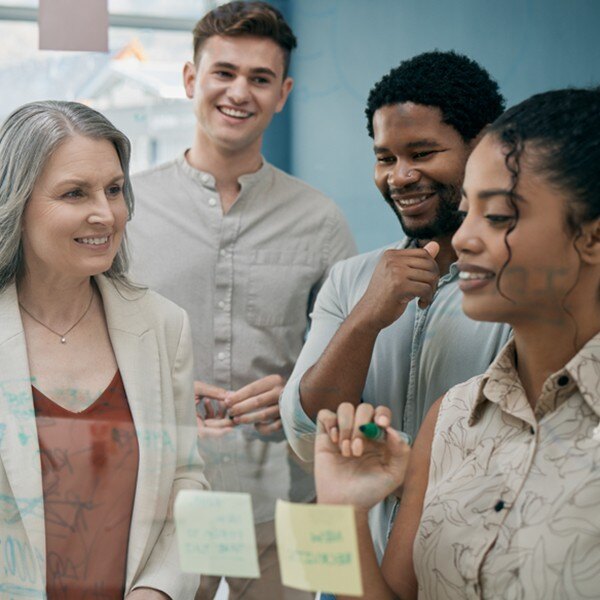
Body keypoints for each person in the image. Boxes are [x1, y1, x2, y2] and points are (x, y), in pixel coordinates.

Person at [315, 86, 600, 599]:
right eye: (467, 212)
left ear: (592, 237)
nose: (465, 238)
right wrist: (344, 515)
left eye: (497, 217)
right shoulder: (451, 418)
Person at [127, 2, 356, 598]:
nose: (239, 92)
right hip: (168, 497)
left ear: (283, 94)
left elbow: (349, 355)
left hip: (294, 494)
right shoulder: (126, 211)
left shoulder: (322, 220)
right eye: (223, 72)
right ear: (189, 80)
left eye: (259, 79)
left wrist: (299, 392)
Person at [280, 50, 511, 559]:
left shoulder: (517, 286)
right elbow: (305, 431)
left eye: (423, 153)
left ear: (482, 148)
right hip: (362, 560)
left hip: (476, 566)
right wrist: (366, 317)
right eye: (386, 158)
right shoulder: (352, 279)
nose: (400, 176)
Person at [0, 100, 208, 599]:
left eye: (114, 190)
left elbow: (187, 481)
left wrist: (158, 591)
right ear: (16, 201)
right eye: (75, 193)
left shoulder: (163, 324)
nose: (106, 213)